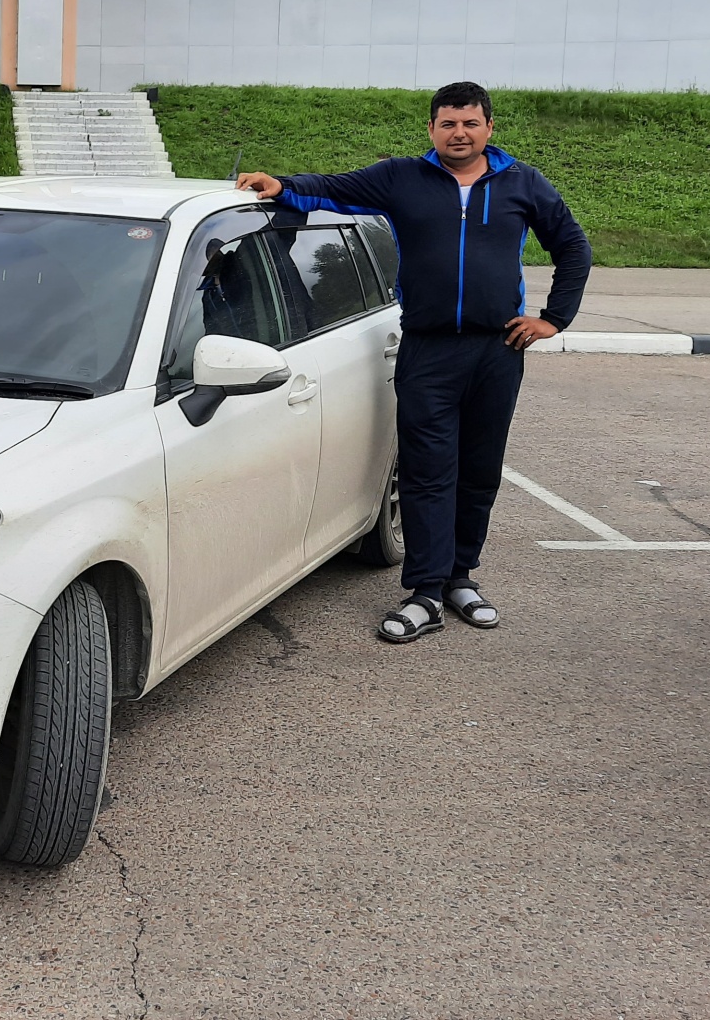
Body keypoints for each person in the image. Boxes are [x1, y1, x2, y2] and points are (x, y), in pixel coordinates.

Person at [236, 81, 591, 643]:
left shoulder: (522, 182)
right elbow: (333, 188)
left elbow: (572, 244)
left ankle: (461, 578)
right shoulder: (402, 178)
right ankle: (425, 590)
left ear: (488, 129)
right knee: (427, 470)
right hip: (428, 349)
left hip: (499, 350)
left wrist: (554, 318)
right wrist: (282, 185)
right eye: (448, 124)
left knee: (479, 471)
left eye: (470, 124)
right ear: (432, 129)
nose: (459, 133)